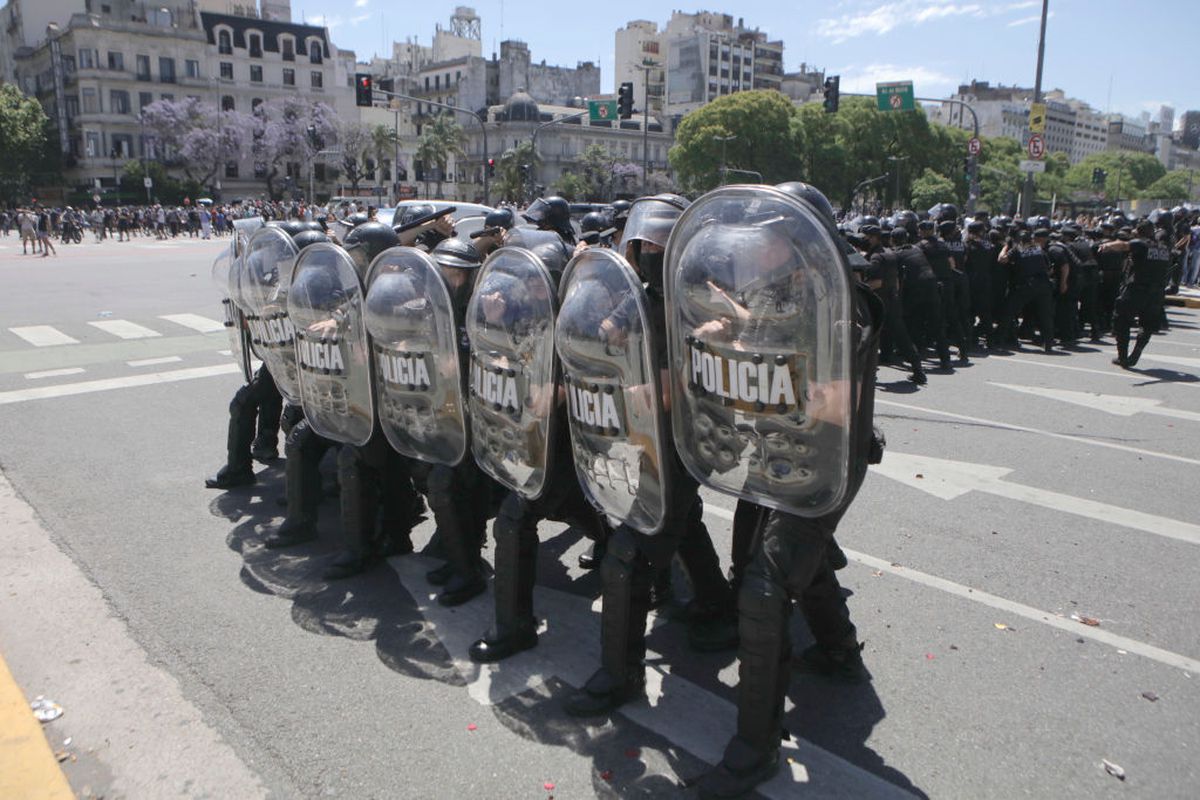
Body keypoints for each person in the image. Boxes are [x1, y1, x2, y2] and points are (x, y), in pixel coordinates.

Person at [562, 194, 737, 718]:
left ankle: (621, 675)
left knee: (628, 556)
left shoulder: (698, 290)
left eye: (662, 240)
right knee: (682, 523)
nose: (652, 248)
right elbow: (607, 334)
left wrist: (713, 329)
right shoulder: (639, 291)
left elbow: (740, 333)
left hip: (688, 435)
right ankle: (716, 603)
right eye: (645, 241)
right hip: (645, 432)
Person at [1099, 219, 1172, 368]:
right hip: (1156, 292)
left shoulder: (1141, 244)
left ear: (1138, 232)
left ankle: (1123, 356)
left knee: (1121, 320)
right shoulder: (1164, 248)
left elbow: (1124, 245)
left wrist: (1106, 245)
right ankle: (1137, 351)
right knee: (1147, 324)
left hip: (1137, 289)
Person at [997, 228, 1056, 352]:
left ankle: (999, 340)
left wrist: (1005, 248)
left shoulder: (1017, 249)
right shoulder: (1039, 249)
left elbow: (1002, 260)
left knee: (1009, 311)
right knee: (1045, 315)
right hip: (1044, 284)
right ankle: (1048, 343)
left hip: (1026, 285)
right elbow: (1050, 269)